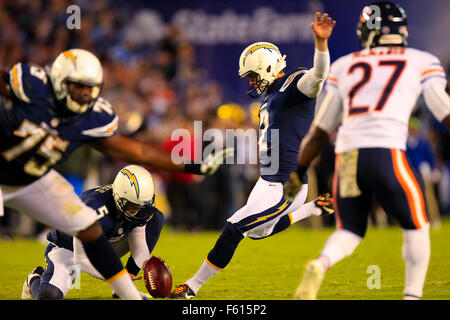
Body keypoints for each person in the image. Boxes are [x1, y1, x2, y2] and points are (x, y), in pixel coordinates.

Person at [0, 49, 232, 300]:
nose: (87, 93)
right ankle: (42, 279)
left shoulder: (92, 118)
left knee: (88, 229)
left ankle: (129, 296)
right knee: (86, 233)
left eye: (92, 87)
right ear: (60, 81)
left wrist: (192, 166)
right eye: (80, 86)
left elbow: (141, 151)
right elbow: (81, 257)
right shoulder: (33, 85)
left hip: (33, 179)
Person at [283, 1, 450, 300]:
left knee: (349, 230)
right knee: (417, 226)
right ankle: (412, 295)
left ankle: (321, 263)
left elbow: (319, 133)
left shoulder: (345, 65)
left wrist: (297, 173)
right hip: (388, 151)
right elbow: (444, 111)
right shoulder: (421, 60)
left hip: (348, 156)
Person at [169, 12, 336, 299]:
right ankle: (312, 208)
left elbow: (319, 76)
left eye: (254, 75)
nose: (252, 82)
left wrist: (321, 45)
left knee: (234, 228)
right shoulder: (271, 95)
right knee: (258, 232)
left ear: (269, 67)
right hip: (267, 180)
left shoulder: (294, 85)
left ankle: (191, 287)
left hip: (287, 184)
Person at [22, 165, 162, 299]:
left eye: (143, 207)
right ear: (119, 199)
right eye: (133, 207)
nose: (139, 212)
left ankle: (124, 291)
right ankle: (34, 278)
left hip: (106, 241)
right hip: (70, 249)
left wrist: (148, 265)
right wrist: (120, 276)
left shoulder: (134, 204)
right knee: (49, 296)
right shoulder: (96, 209)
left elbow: (139, 245)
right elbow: (82, 260)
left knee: (156, 218)